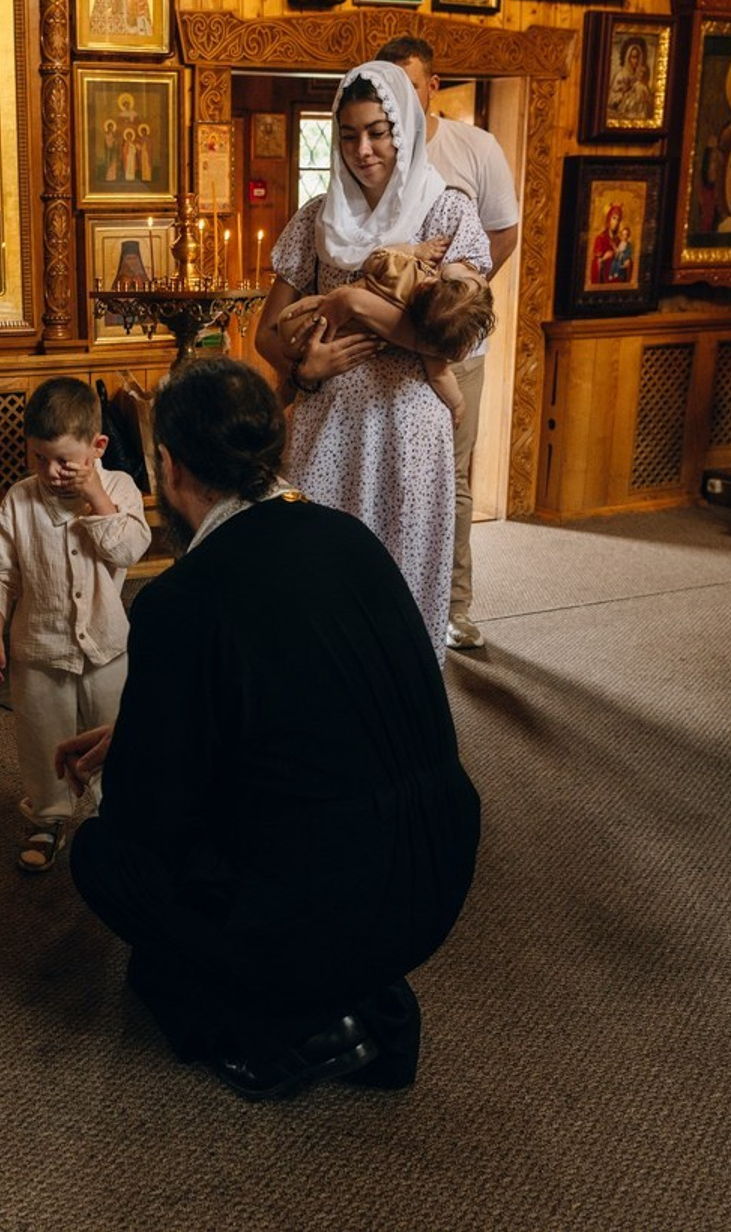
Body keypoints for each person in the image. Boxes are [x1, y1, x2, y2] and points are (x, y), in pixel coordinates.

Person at [58, 358, 481, 1102]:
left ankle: (282, 1024)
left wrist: (121, 772)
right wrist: (142, 725)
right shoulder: (351, 538)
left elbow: (150, 819)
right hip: (439, 874)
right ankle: (359, 998)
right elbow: (313, 706)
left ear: (168, 467)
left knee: (102, 855)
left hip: (317, 912)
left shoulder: (180, 601)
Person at [255, 60, 492, 662]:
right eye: (349, 135)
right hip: (326, 424)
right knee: (318, 577)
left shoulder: (448, 213)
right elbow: (265, 334)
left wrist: (353, 302)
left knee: (398, 585)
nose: (363, 150)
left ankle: (400, 706)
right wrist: (304, 370)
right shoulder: (315, 218)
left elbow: (454, 338)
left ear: (404, 130)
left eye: (377, 132)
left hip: (407, 429)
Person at [376, 36, 521, 652]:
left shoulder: (474, 147)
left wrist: (454, 305)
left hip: (455, 349)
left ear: (432, 86)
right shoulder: (376, 149)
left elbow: (502, 234)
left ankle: (453, 605)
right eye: (389, 86)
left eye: (410, 85)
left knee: (450, 477)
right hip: (384, 347)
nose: (399, 98)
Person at [0, 378, 151, 872]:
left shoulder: (118, 489)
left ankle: (115, 815)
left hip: (107, 645)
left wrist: (95, 496)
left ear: (97, 448)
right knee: (41, 737)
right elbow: (3, 571)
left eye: (64, 462)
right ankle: (48, 816)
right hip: (39, 647)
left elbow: (128, 550)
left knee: (113, 734)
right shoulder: (20, 500)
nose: (51, 472)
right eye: (39, 458)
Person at [277, 238, 497, 427]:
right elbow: (440, 376)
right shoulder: (427, 331)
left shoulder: (403, 269)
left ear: (432, 282)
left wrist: (414, 251)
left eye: (472, 276)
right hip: (319, 351)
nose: (478, 274)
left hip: (299, 321)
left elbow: (374, 259)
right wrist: (457, 404)